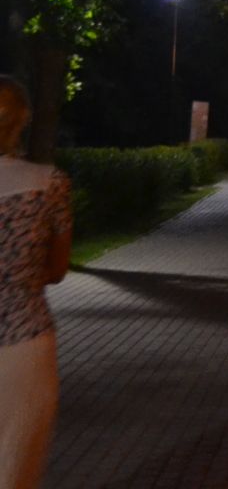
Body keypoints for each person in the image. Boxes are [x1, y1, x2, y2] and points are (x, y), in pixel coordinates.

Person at [0, 75, 70, 489]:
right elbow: (57, 270)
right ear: (23, 120)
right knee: (16, 470)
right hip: (25, 344)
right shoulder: (51, 185)